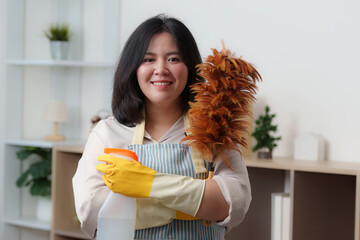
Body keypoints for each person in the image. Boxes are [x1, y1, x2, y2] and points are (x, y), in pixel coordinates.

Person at [72, 14, 251, 240]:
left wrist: (147, 184)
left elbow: (234, 204)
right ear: (133, 68)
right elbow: (92, 214)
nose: (161, 69)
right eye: (148, 59)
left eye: (174, 59)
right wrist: (191, 206)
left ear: (190, 67)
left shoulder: (215, 130)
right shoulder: (107, 134)